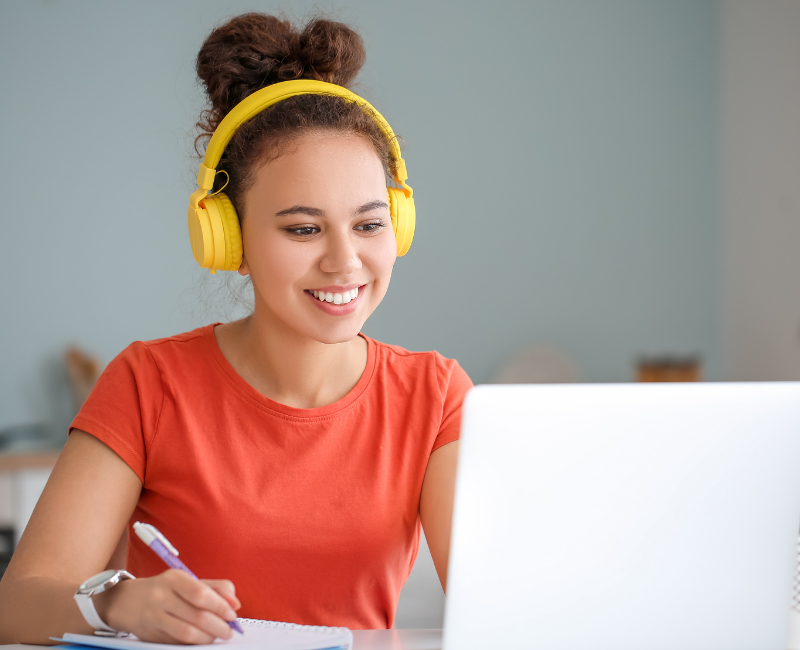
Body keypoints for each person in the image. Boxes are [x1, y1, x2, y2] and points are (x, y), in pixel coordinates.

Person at [0, 12, 472, 644]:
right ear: (227, 241)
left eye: (368, 223)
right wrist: (118, 605)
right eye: (303, 229)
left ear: (399, 226)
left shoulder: (436, 396)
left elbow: (504, 602)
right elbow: (19, 602)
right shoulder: (149, 384)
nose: (344, 261)